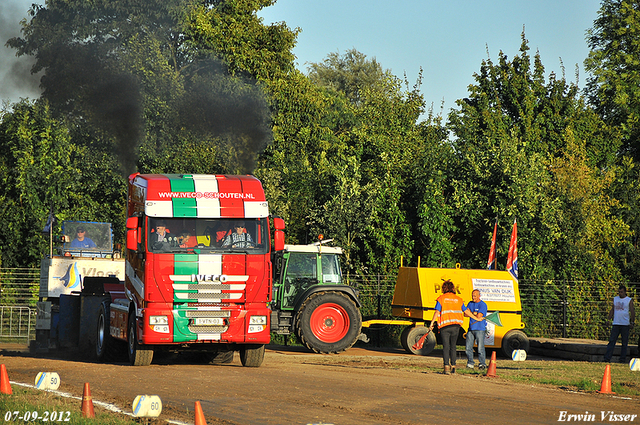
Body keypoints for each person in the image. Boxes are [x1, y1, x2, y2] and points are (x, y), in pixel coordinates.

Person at [428, 280, 473, 374]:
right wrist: (476, 317)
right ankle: (453, 366)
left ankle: (446, 367)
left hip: (445, 326)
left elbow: (437, 312)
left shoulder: (441, 299)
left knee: (446, 347)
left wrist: (432, 323)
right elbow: (466, 311)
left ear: (444, 288)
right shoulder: (459, 299)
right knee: (453, 346)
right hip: (456, 326)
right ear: (453, 288)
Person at [604, 285, 635, 363]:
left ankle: (622, 359)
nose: (620, 293)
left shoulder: (629, 300)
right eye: (619, 292)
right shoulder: (615, 299)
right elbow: (612, 310)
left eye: (621, 292)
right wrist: (609, 319)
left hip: (625, 324)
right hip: (616, 323)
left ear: (625, 292)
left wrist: (632, 322)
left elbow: (632, 311)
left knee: (624, 343)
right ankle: (607, 358)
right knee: (612, 341)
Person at [465, 289, 488, 370]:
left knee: (480, 348)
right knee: (468, 347)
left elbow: (479, 315)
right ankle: (470, 363)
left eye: (475, 296)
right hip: (471, 329)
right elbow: (465, 314)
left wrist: (470, 313)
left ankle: (482, 363)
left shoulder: (483, 305)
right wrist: (473, 313)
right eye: (472, 295)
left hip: (480, 329)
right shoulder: (470, 303)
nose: (473, 297)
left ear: (479, 296)